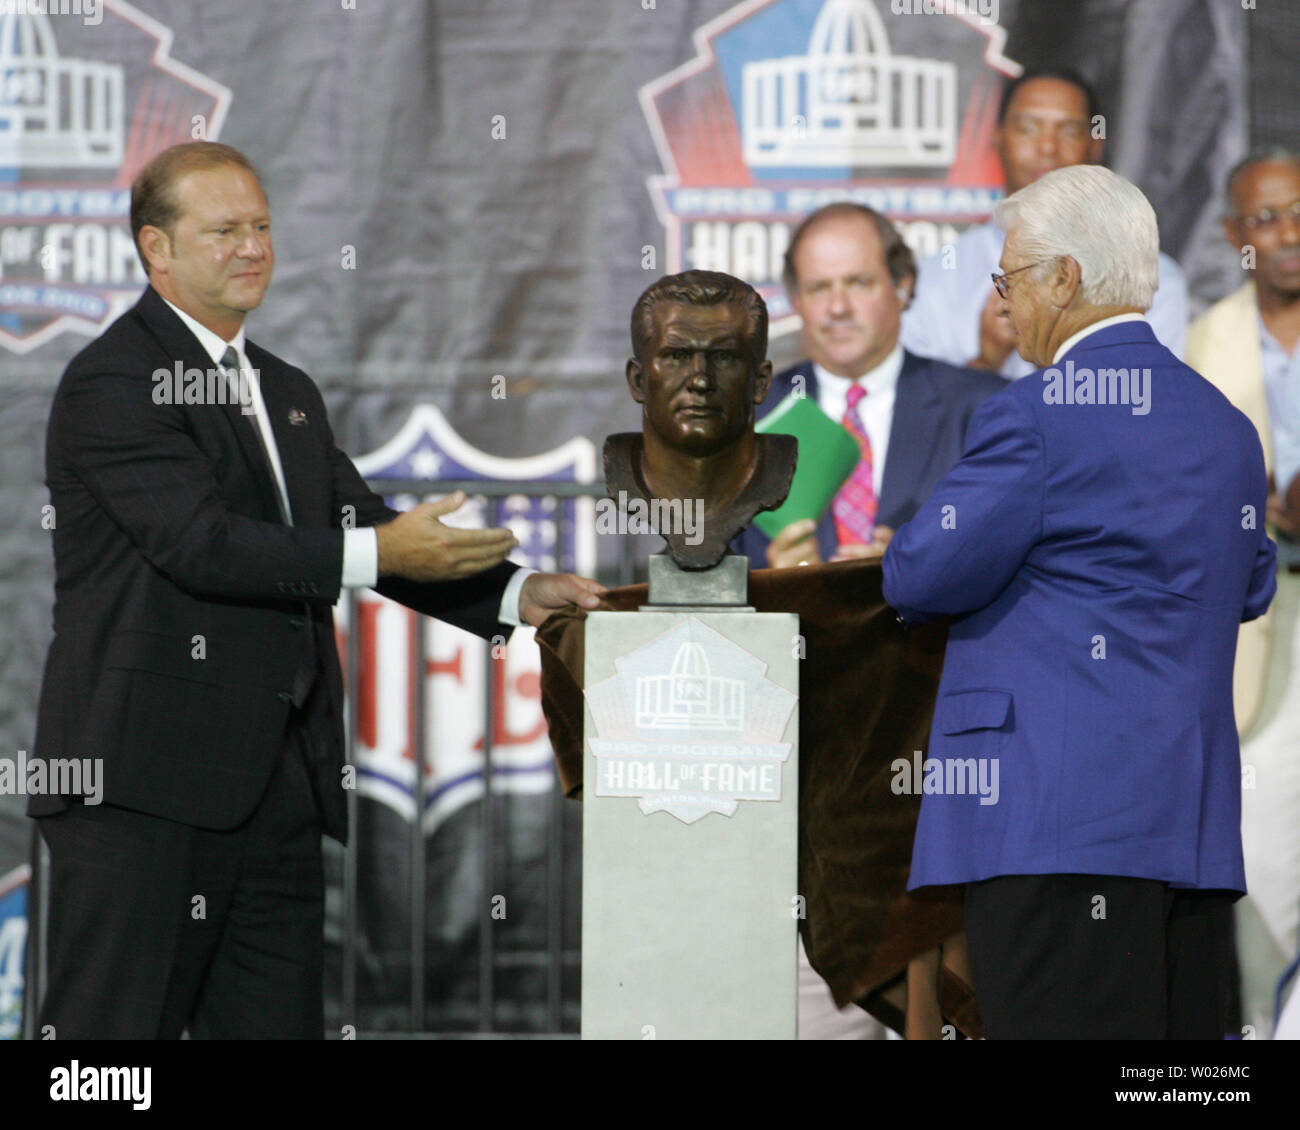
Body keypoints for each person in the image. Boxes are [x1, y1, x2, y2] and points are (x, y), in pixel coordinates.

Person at [29, 141, 603, 1039]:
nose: (252, 246)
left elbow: (366, 528)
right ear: (157, 249)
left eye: (260, 226)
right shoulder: (114, 380)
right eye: (224, 230)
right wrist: (383, 550)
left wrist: (519, 594)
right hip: (140, 796)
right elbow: (204, 546)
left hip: (276, 794)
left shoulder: (284, 390)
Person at [883, 164, 1277, 1039]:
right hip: (1188, 835)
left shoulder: (1038, 415)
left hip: (1053, 834)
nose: (1003, 302)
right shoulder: (1225, 426)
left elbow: (920, 574)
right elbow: (1250, 583)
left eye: (1010, 277)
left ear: (1064, 279)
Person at [1187, 146, 1300, 1036]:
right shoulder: (1209, 339)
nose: (1289, 234)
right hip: (1263, 622)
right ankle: (1261, 1030)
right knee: (1260, 852)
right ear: (1234, 236)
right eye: (1265, 219)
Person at [735, 203, 1006, 572]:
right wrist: (784, 587)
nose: (838, 307)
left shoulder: (985, 409)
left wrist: (916, 570)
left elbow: (1015, 560)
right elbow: (701, 584)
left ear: (903, 286)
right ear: (796, 300)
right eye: (818, 288)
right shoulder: (745, 422)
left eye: (858, 283)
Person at [901, 68, 1189, 378]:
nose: (1048, 148)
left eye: (1068, 131)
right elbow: (925, 420)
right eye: (1028, 128)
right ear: (997, 139)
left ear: (1095, 146)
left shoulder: (1152, 283)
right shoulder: (938, 278)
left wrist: (1055, 340)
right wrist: (987, 359)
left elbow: (1146, 414)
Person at [605, 270, 793, 569]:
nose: (700, 381)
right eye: (677, 356)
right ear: (638, 381)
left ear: (760, 382)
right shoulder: (622, 468)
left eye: (723, 357)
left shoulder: (779, 470)